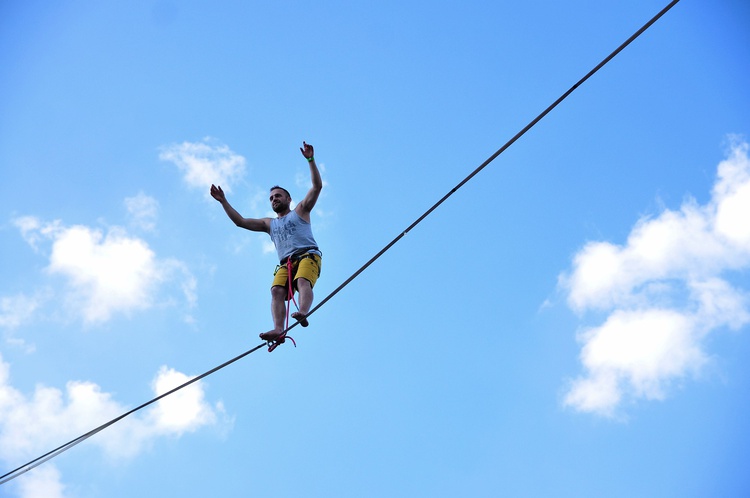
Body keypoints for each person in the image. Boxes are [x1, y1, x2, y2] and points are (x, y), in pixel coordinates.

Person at [210, 141, 323, 344]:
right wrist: (223, 201)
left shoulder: (301, 211)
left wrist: (310, 160)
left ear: (288, 199)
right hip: (285, 263)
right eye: (271, 198)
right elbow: (240, 222)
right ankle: (278, 330)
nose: (274, 199)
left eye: (278, 196)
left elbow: (317, 186)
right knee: (276, 291)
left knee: (302, 281)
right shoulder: (269, 224)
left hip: (308, 255)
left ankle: (303, 311)